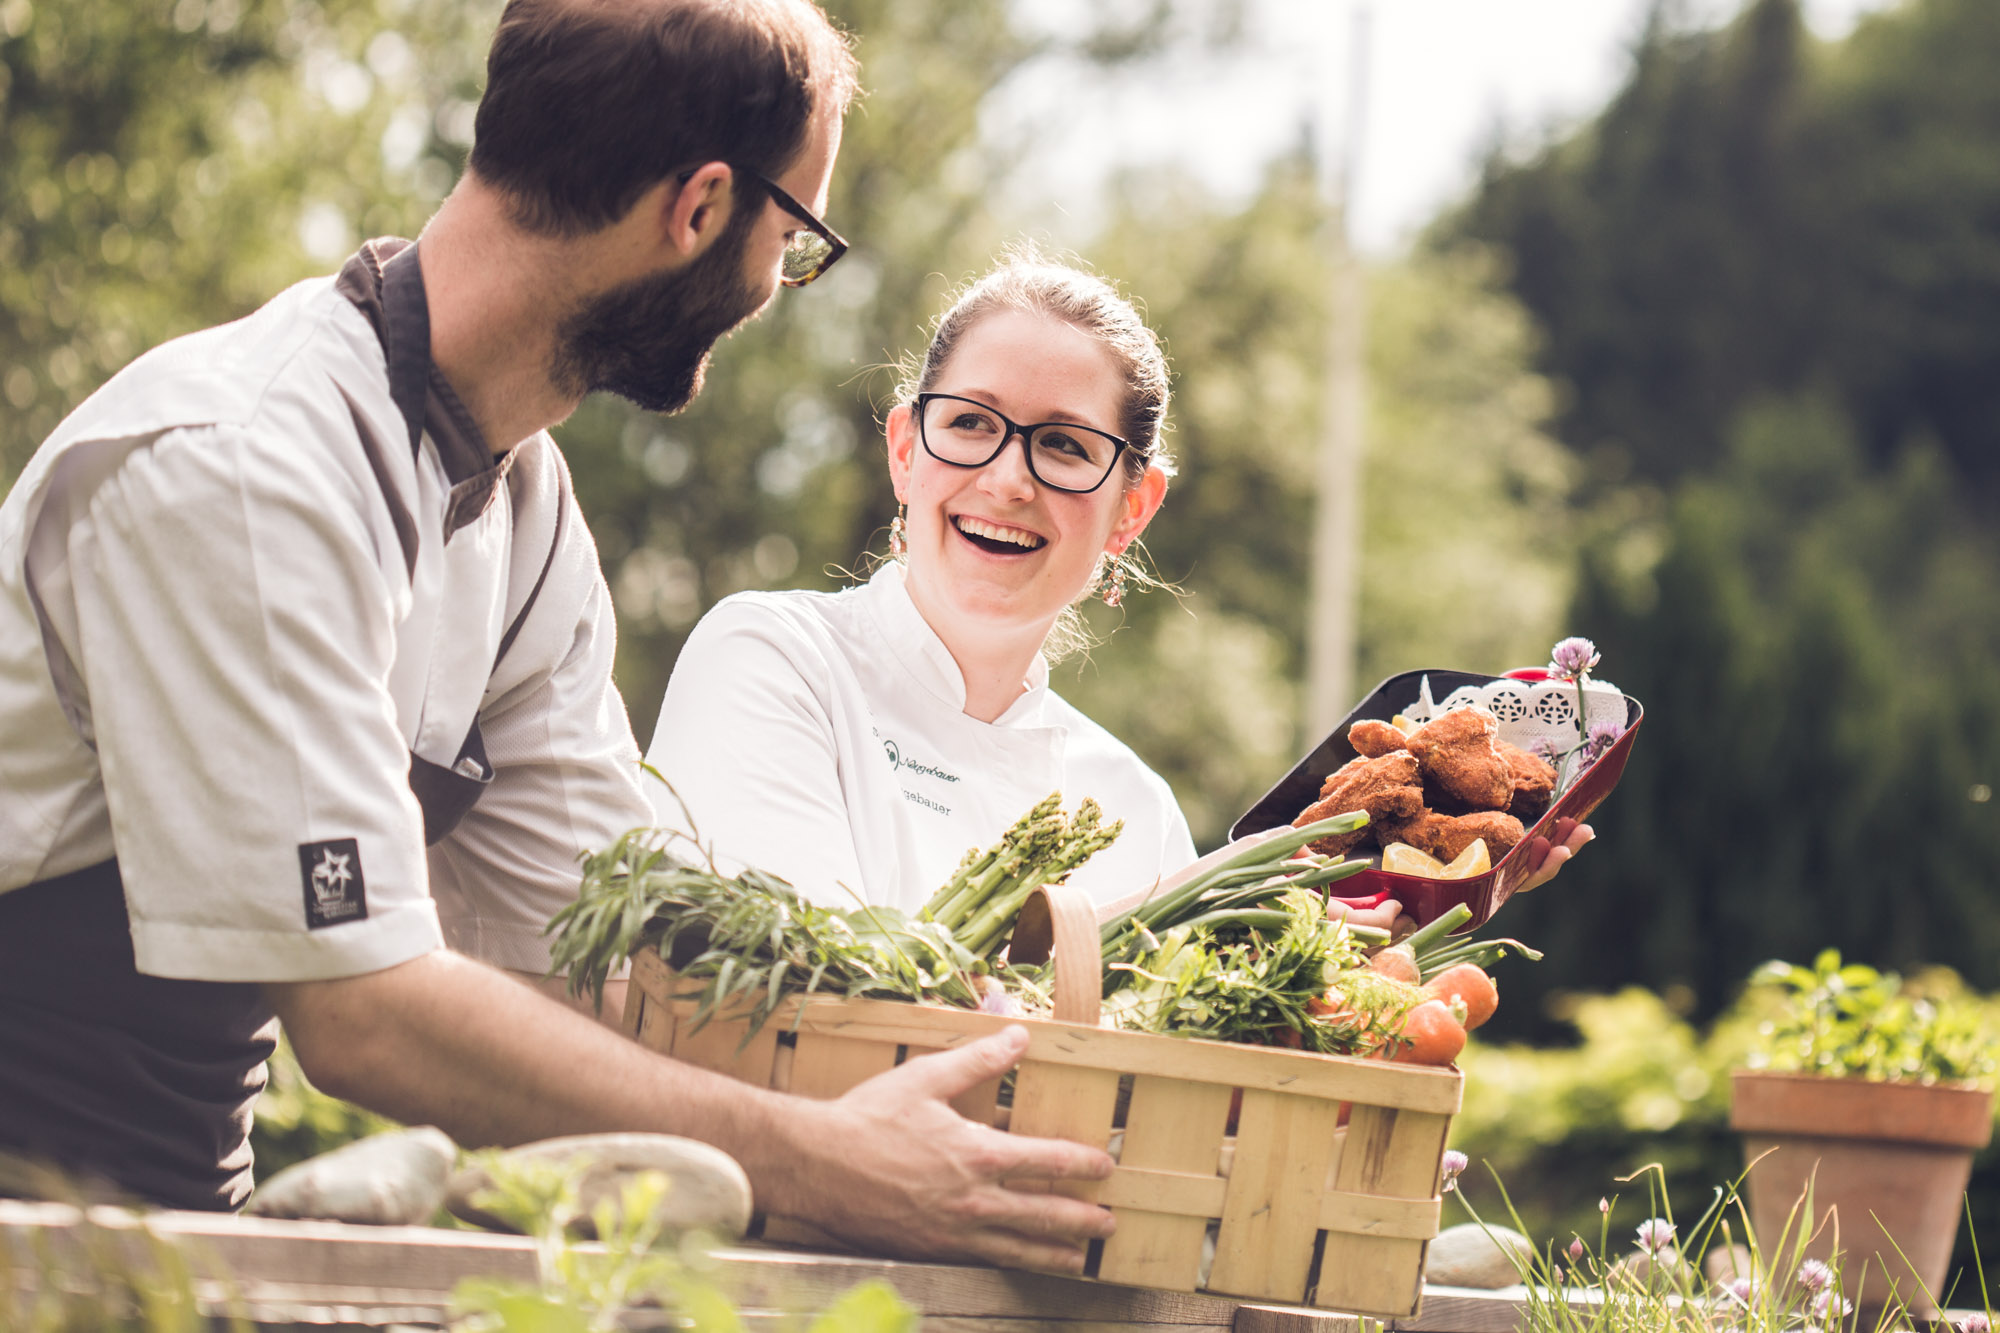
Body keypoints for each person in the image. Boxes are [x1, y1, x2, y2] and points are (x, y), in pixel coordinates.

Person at [0, 0, 1117, 1273]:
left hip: (161, 1225)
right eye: (791, 237)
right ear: (697, 208)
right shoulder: (246, 468)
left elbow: (608, 947)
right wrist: (820, 1161)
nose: (772, 289)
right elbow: (362, 1012)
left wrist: (929, 1039)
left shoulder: (518, 507)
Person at [646, 256, 1196, 913]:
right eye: (971, 423)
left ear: (1132, 510)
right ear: (906, 451)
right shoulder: (773, 663)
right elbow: (795, 1000)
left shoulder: (1141, 818)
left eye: (1064, 444)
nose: (1008, 481)